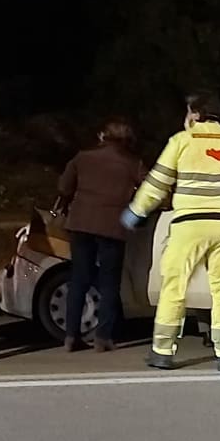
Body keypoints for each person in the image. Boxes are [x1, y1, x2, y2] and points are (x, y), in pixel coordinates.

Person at [121, 91, 220, 372]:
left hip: (189, 225)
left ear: (196, 114)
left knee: (174, 287)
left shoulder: (181, 141)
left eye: (188, 112)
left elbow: (157, 183)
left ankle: (162, 352)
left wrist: (136, 211)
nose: (186, 118)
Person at [55, 117, 145, 351]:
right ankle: (103, 337)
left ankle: (71, 336)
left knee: (79, 279)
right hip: (113, 226)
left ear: (103, 137)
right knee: (109, 283)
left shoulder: (82, 158)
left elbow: (64, 187)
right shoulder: (133, 163)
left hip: (81, 223)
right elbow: (149, 190)